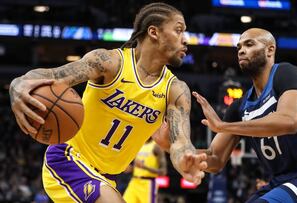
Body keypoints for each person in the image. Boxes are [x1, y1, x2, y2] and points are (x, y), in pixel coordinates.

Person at [9, 2, 207, 202]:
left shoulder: (176, 90)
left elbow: (181, 141)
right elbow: (51, 76)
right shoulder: (109, 63)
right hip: (68, 159)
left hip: (107, 178)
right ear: (154, 32)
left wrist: (184, 159)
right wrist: (18, 84)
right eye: (179, 30)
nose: (185, 39)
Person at [192, 28, 297, 203]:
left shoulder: (286, 74)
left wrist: (223, 126)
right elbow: (215, 158)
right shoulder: (239, 107)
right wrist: (181, 151)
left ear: (270, 50)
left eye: (249, 44)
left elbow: (289, 121)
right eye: (239, 47)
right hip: (284, 182)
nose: (241, 50)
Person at [123, 138, 167, 203]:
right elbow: (138, 167)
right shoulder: (139, 145)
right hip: (134, 181)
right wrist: (131, 169)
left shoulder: (156, 147)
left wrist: (144, 167)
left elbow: (163, 172)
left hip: (148, 184)